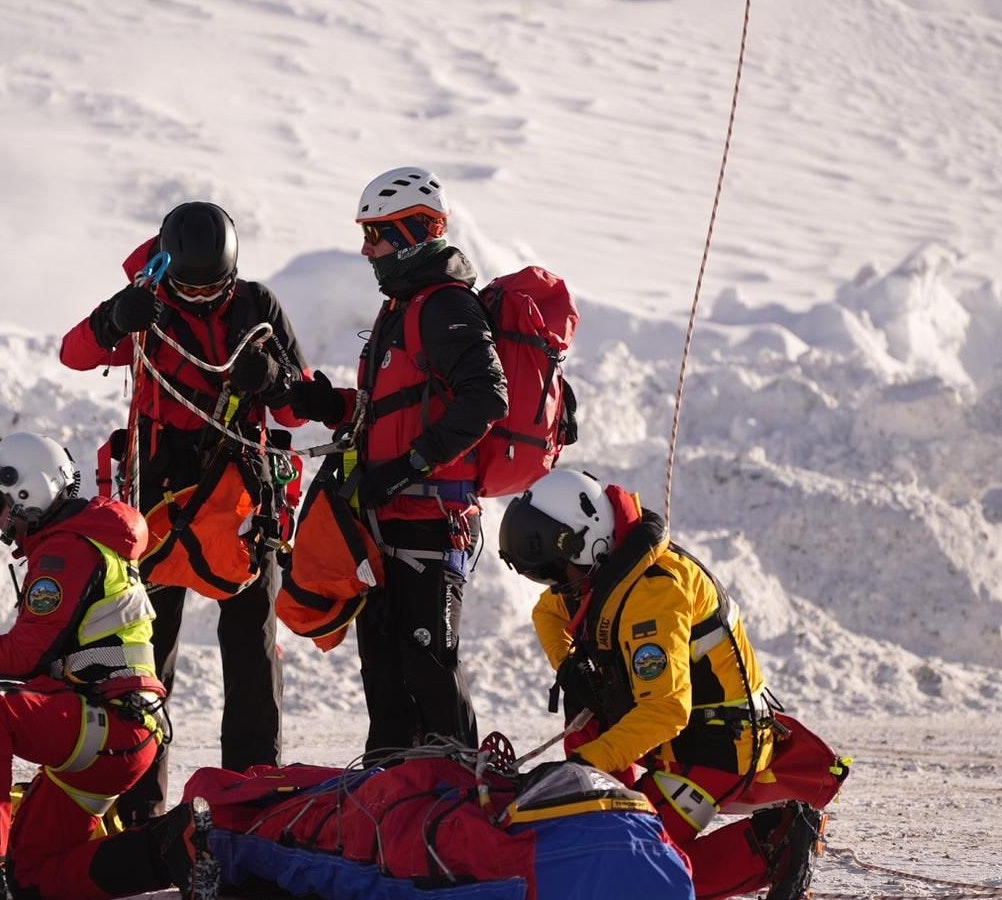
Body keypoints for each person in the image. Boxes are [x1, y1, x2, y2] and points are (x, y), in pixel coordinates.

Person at [59, 200, 311, 824]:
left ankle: (248, 798)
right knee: (145, 654)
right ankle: (140, 805)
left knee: (252, 652)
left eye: (212, 287)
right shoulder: (145, 305)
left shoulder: (258, 306)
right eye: (188, 286)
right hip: (160, 503)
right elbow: (73, 353)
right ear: (166, 268)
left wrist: (272, 376)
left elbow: (297, 409)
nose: (199, 298)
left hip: (242, 503)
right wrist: (114, 318)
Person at [0, 432, 213, 900]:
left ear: (27, 491)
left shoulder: (66, 551)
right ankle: (170, 848)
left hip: (110, 729)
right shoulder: (80, 543)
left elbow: (24, 656)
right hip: (115, 732)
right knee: (31, 877)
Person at [498, 468, 829, 900]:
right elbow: (547, 613)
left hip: (713, 748)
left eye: (557, 571)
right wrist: (571, 666)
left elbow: (667, 709)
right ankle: (603, 814)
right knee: (589, 834)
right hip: (669, 735)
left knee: (629, 873)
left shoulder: (653, 597)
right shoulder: (599, 572)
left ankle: (777, 843)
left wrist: (582, 767)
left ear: (589, 538)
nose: (557, 585)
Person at [277, 166, 507, 762]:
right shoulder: (402, 308)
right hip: (386, 521)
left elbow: (486, 396)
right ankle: (388, 800)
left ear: (413, 234)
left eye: (376, 235)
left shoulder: (446, 306)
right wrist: (330, 405)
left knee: (430, 670)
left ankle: (460, 806)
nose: (366, 249)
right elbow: (393, 410)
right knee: (384, 675)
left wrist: (407, 467)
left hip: (432, 522)